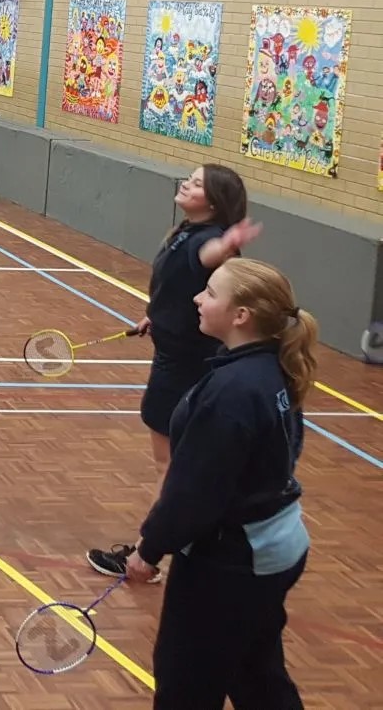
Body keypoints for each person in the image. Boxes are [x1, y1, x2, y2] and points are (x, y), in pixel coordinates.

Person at [125, 258, 317, 710]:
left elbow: (193, 493)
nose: (198, 297)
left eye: (210, 292)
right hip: (275, 547)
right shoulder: (270, 368)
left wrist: (149, 550)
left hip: (234, 562)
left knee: (185, 683)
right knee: (256, 673)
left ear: (241, 316)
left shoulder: (233, 391)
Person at [87, 164, 259, 580]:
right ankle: (179, 539)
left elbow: (212, 256)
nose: (186, 182)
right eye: (190, 177)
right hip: (175, 353)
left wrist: (231, 242)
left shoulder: (208, 240)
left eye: (198, 183)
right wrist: (156, 317)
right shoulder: (183, 230)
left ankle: (150, 554)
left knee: (171, 465)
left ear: (214, 203)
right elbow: (181, 285)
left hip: (185, 364)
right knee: (174, 461)